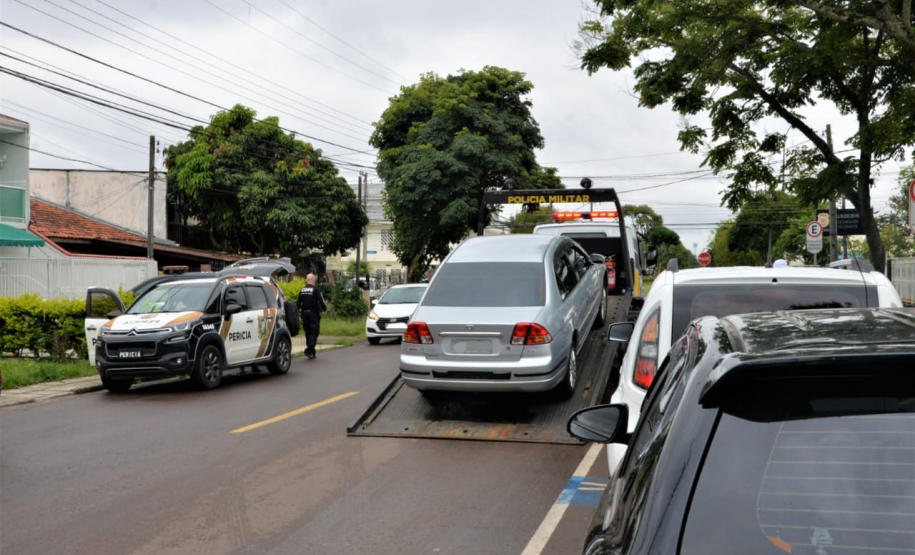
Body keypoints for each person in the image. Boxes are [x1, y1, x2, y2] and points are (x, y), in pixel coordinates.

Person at [297, 273, 327, 359]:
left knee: (308, 333)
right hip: (313, 314)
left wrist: (297, 314)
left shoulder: (302, 290)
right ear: (314, 280)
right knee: (314, 332)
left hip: (304, 315)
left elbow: (298, 303)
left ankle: (312, 352)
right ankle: (308, 350)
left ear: (306, 280)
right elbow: (321, 301)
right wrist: (324, 309)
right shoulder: (316, 290)